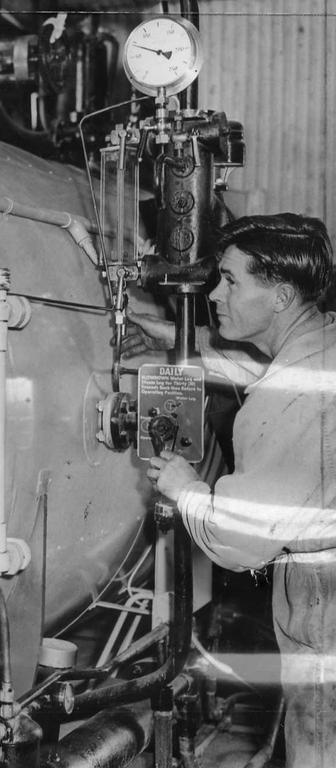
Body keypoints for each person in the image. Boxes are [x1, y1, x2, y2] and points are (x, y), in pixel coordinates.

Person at [129, 212, 336, 768]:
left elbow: (242, 540)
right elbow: (258, 368)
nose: (215, 293)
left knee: (319, 739)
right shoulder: (322, 344)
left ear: (280, 295)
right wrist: (173, 338)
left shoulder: (289, 396)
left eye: (231, 280)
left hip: (324, 599)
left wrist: (187, 488)